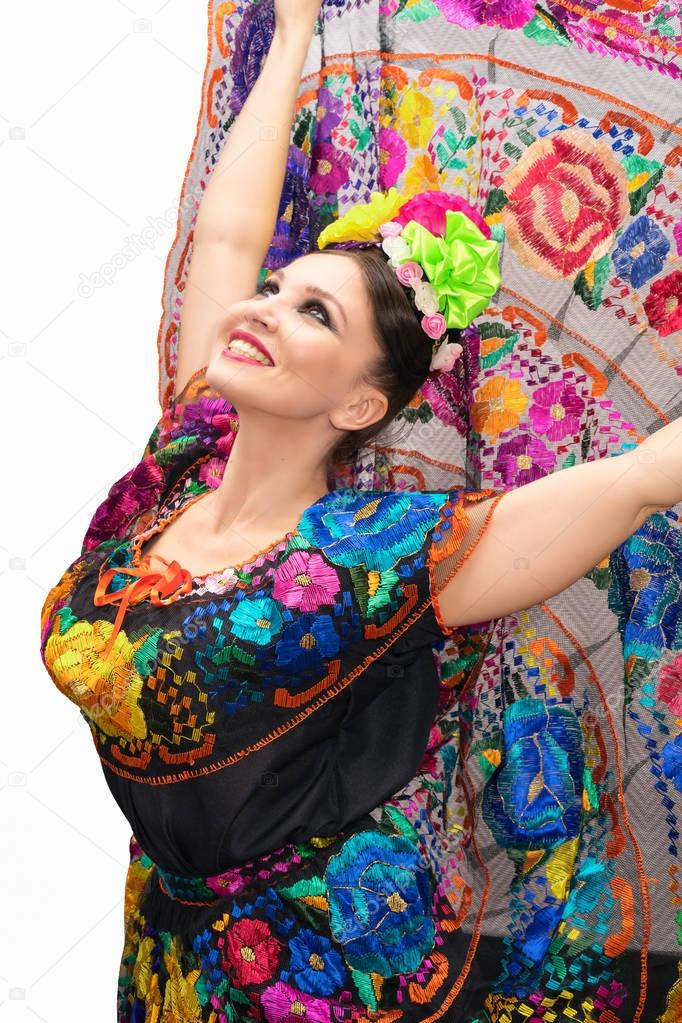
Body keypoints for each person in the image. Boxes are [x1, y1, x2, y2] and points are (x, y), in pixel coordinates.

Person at [39, 1, 682, 1020]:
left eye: (313, 311)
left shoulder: (371, 560)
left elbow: (645, 475)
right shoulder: (184, 457)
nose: (260, 306)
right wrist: (292, 35)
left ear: (358, 404)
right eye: (279, 289)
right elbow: (230, 233)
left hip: (300, 987)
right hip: (156, 956)